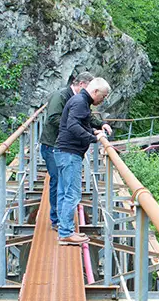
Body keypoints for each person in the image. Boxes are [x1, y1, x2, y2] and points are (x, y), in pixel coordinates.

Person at [52, 77, 113, 245]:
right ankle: (65, 233)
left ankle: (64, 229)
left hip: (64, 152)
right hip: (70, 153)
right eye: (104, 95)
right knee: (72, 194)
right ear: (95, 92)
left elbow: (80, 123)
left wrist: (94, 131)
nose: (104, 99)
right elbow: (72, 125)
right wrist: (93, 139)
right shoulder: (80, 102)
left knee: (64, 192)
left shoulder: (80, 101)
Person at [41, 72, 95, 232]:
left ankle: (62, 220)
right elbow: (54, 118)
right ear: (82, 84)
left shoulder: (79, 100)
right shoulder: (61, 95)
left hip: (62, 145)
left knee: (62, 182)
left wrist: (100, 124)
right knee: (58, 181)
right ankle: (57, 220)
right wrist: (74, 130)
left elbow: (86, 117)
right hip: (52, 144)